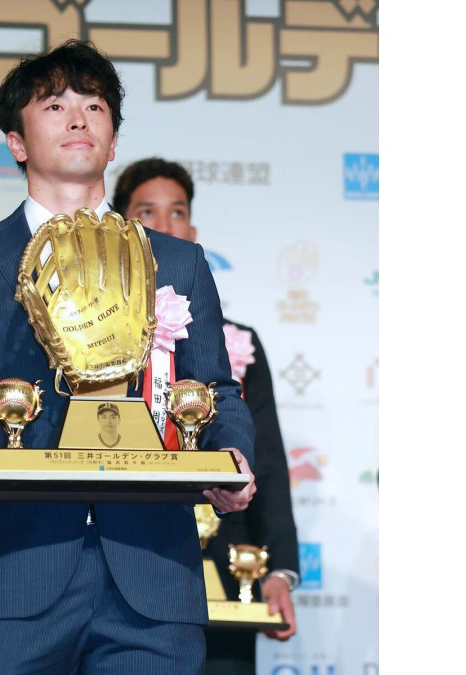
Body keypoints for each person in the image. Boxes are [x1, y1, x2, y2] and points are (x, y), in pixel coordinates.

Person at [0, 40, 258, 674]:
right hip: (12, 571)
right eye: (55, 105)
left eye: (94, 106)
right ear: (16, 142)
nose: (77, 119)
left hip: (152, 575)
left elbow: (216, 392)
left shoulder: (178, 262)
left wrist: (232, 455)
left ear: (113, 141)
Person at [114, 157, 300, 673]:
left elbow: (267, 463)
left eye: (176, 213)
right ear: (121, 229)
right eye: (146, 212)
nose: (164, 225)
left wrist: (278, 570)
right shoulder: (90, 342)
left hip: (227, 565)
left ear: (192, 232)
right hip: (132, 555)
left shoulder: (237, 343)